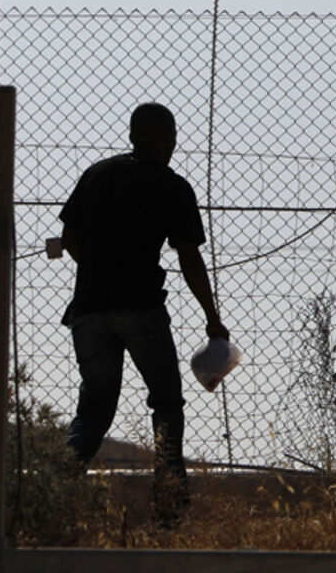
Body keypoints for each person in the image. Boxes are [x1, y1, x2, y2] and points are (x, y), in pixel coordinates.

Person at [59, 102, 228, 524]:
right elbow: (189, 257)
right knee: (166, 402)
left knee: (94, 411)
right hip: (142, 308)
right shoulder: (172, 186)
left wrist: (98, 272)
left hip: (89, 310)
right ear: (170, 140)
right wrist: (212, 318)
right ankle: (170, 507)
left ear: (133, 136)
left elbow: (70, 237)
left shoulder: (97, 175)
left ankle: (53, 490)